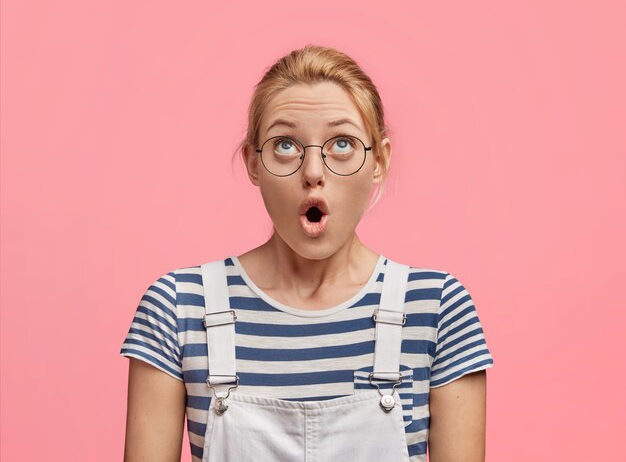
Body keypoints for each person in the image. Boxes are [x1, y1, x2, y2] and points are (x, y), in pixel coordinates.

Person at [120, 44, 494, 462]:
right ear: (253, 163)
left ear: (380, 161)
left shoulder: (436, 308)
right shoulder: (180, 308)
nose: (313, 173)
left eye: (342, 144)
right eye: (285, 145)